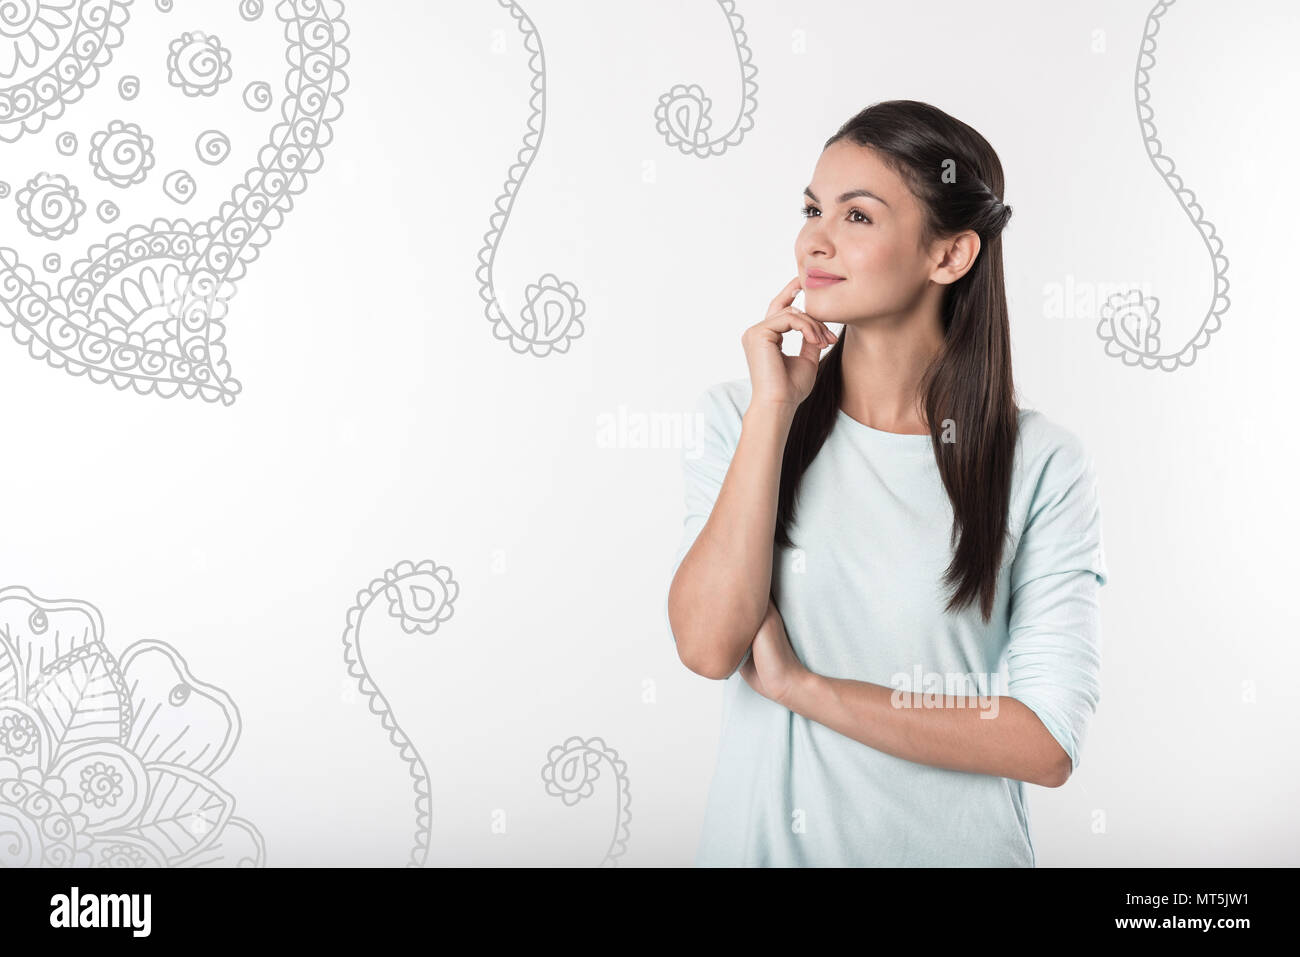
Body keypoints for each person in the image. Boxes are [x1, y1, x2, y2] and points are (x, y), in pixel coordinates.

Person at [665, 99, 1109, 867]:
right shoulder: (742, 414)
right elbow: (708, 645)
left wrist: (804, 688)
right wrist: (775, 408)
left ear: (949, 256)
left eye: (858, 216)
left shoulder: (1040, 462)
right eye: (812, 208)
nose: (816, 238)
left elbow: (1044, 742)